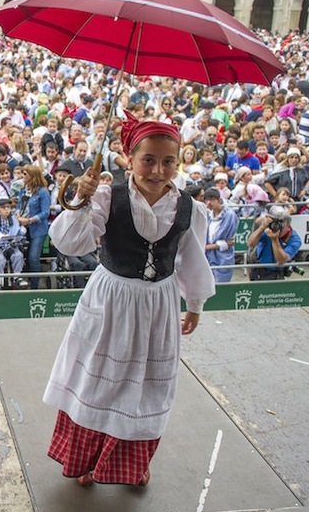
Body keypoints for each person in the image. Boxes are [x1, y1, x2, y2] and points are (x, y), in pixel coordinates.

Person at [44, 117, 215, 487]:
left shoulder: (188, 208)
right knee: (98, 381)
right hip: (111, 300)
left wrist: (195, 304)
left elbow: (192, 259)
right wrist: (82, 200)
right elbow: (70, 244)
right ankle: (86, 460)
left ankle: (132, 464)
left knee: (146, 385)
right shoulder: (108, 197)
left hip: (159, 306)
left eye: (168, 161)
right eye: (148, 160)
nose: (158, 170)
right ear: (129, 157)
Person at [15, 165, 52, 289]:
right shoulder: (23, 190)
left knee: (33, 257)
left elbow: (45, 212)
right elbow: (19, 205)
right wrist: (18, 215)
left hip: (37, 229)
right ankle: (24, 281)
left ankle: (35, 286)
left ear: (33, 176)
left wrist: (29, 220)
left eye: (25, 174)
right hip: (22, 228)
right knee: (22, 255)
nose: (23, 176)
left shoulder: (43, 192)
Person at [247, 206, 302, 280]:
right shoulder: (268, 230)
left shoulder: (295, 240)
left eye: (281, 225)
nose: (277, 228)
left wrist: (275, 240)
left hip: (275, 273)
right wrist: (261, 228)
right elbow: (250, 243)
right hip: (258, 269)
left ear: (288, 225)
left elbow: (281, 261)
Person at [0, 197, 26, 289]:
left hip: (12, 245)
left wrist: (21, 232)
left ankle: (17, 277)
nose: (6, 210)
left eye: (8, 207)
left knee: (18, 255)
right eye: (3, 207)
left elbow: (16, 230)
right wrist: (0, 236)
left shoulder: (13, 219)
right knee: (0, 259)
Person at [203, 188, 238, 282]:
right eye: (207, 200)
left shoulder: (229, 215)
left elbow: (228, 242)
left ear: (219, 200)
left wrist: (207, 247)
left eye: (212, 199)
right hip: (208, 257)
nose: (209, 203)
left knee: (221, 285)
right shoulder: (208, 215)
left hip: (223, 258)